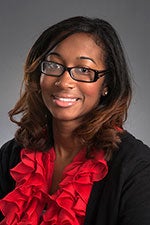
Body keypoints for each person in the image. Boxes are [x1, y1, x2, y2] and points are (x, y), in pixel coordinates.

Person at [0, 16, 150, 225]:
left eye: (84, 70)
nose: (64, 82)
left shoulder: (137, 168)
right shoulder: (13, 156)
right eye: (54, 65)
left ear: (107, 84)